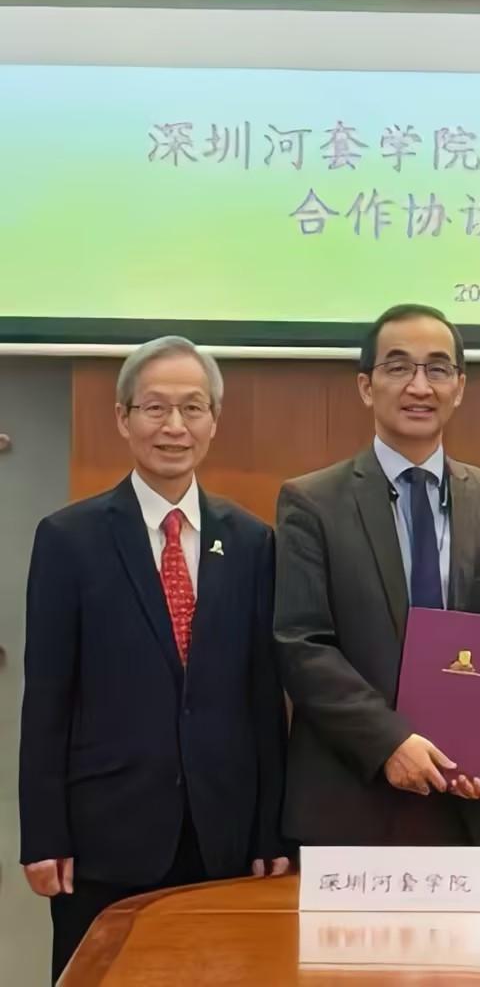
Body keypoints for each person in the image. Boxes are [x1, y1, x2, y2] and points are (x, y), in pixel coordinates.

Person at [19, 336, 289, 984]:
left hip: (222, 834)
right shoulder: (68, 539)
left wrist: (269, 830)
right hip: (105, 837)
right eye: (155, 408)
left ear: (213, 421)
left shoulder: (251, 542)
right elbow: (47, 698)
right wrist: (43, 834)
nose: (174, 426)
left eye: (193, 408)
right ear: (123, 418)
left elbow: (263, 697)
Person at [273, 304, 480, 849]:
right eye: (398, 367)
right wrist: (389, 742)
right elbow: (301, 644)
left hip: (467, 802)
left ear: (459, 387)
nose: (419, 386)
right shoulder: (312, 503)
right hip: (351, 800)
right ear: (366, 385)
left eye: (438, 368)